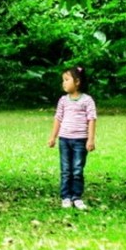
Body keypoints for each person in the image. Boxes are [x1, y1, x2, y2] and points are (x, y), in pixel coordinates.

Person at [47, 66, 97, 210]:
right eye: (63, 80)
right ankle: (65, 197)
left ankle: (76, 197)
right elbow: (58, 118)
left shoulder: (87, 100)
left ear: (77, 82)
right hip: (64, 139)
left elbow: (92, 119)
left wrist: (90, 139)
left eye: (67, 80)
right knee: (65, 170)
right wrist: (53, 137)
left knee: (77, 169)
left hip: (80, 140)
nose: (64, 83)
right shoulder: (63, 100)